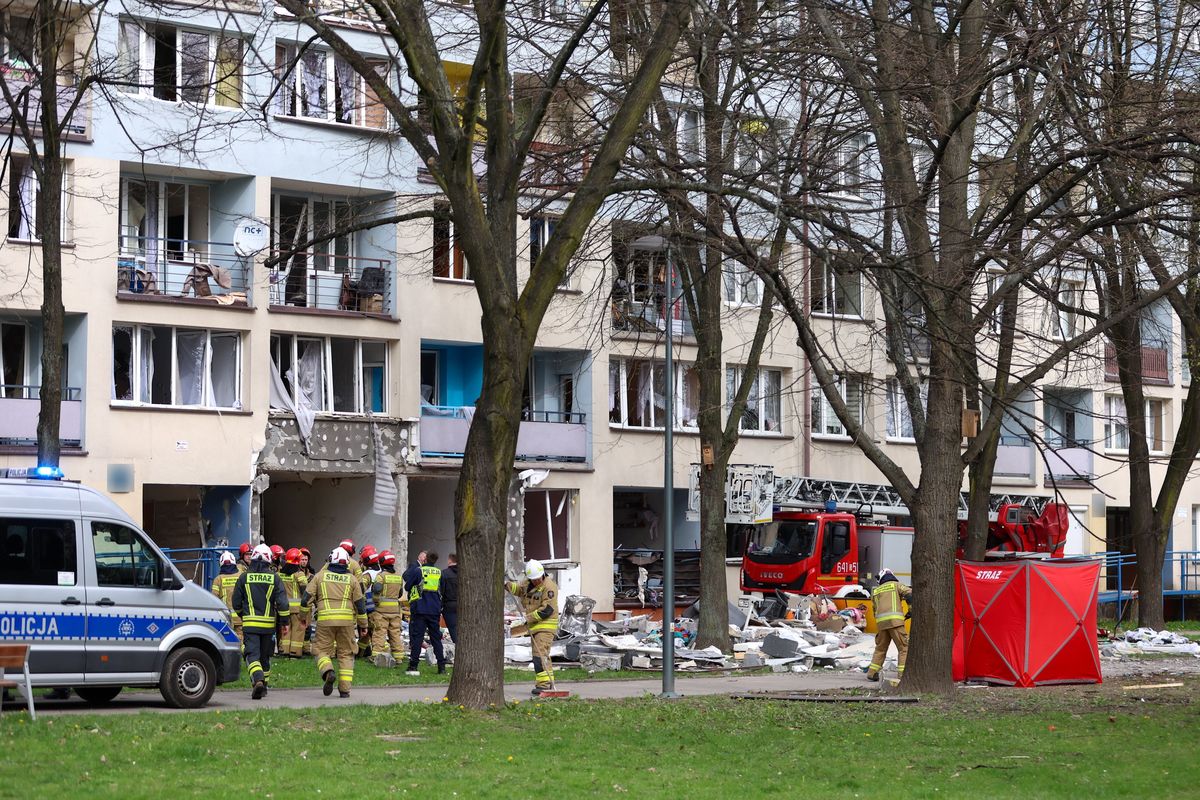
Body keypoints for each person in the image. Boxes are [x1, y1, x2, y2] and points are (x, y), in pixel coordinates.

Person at [304, 546, 368, 698]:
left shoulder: (319, 576)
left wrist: (302, 617)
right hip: (346, 623)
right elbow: (360, 605)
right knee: (346, 654)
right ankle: (345, 690)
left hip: (325, 621)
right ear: (346, 563)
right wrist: (363, 625)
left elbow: (306, 598)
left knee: (321, 651)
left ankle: (328, 671)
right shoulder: (352, 579)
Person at [232, 544, 290, 699]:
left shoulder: (244, 577)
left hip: (250, 625)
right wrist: (285, 623)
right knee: (265, 657)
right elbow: (283, 603)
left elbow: (236, 602)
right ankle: (263, 687)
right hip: (268, 627)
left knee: (251, 655)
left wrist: (244, 615)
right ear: (269, 559)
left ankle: (257, 680)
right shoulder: (274, 578)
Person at [505, 559, 559, 696]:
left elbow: (547, 610)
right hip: (535, 626)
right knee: (542, 655)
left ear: (542, 574)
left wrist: (527, 618)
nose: (535, 582)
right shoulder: (528, 583)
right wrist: (508, 585)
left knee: (539, 655)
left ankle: (544, 685)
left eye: (537, 579)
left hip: (545, 626)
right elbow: (519, 590)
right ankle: (548, 683)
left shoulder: (549, 587)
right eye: (532, 579)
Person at [403, 550, 446, 676]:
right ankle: (441, 666)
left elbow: (407, 587)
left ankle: (413, 665)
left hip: (420, 608)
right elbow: (442, 589)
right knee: (436, 638)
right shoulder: (440, 572)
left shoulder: (419, 571)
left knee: (417, 637)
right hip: (434, 609)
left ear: (425, 559)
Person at [867, 568, 913, 682]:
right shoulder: (896, 585)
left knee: (880, 649)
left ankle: (872, 673)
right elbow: (909, 593)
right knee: (904, 648)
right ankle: (902, 676)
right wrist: (911, 610)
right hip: (895, 623)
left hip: (882, 624)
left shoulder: (876, 591)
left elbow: (874, 610)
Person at [371, 550, 406, 667]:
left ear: (381, 562)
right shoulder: (398, 577)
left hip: (381, 611)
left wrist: (376, 601)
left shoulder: (381, 577)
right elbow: (400, 594)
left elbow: (376, 590)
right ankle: (399, 658)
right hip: (395, 611)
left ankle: (376, 657)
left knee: (379, 633)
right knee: (395, 634)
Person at [280, 548, 308, 657]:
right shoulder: (299, 574)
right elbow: (305, 592)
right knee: (298, 630)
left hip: (284, 607)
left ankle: (285, 651)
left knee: (286, 629)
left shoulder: (280, 574)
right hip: (297, 609)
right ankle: (295, 652)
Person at [210, 550, 242, 644]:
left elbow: (214, 598)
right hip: (241, 615)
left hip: (226, 617)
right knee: (241, 637)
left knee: (227, 640)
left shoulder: (218, 579)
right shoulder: (241, 576)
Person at [357, 546, 380, 658]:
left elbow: (360, 590)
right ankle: (359, 653)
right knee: (367, 635)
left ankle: (380, 655)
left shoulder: (367, 575)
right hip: (379, 608)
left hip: (370, 609)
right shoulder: (381, 572)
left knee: (374, 634)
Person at [442, 553, 459, 644]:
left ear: (449, 560)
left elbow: (442, 590)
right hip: (462, 604)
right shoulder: (464, 573)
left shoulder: (444, 573)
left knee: (452, 628)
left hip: (449, 605)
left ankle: (458, 645)